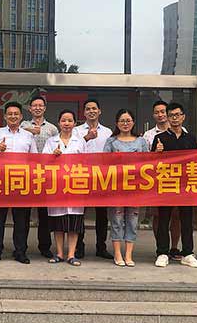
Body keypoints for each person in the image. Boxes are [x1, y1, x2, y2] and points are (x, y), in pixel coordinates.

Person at [151, 102, 197, 268]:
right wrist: (156, 153)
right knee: (163, 219)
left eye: (177, 115)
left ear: (183, 117)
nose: (174, 118)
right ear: (167, 118)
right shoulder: (160, 138)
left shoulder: (190, 138)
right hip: (166, 184)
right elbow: (151, 164)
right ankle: (162, 252)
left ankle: (188, 253)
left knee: (186, 220)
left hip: (185, 186)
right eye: (171, 115)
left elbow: (196, 160)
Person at [0, 101, 38, 264]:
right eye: (10, 114)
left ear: (21, 116)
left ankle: (20, 251)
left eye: (16, 114)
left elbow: (34, 159)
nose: (13, 116)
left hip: (21, 182)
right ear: (5, 116)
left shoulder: (28, 136)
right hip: (1, 181)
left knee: (21, 220)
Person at [103, 109, 148, 267]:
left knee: (132, 220)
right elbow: (104, 163)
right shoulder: (111, 142)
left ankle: (129, 254)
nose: (125, 123)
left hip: (135, 188)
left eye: (128, 120)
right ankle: (117, 254)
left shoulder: (141, 141)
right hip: (116, 187)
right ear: (117, 123)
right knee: (116, 220)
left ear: (133, 122)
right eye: (122, 121)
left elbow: (148, 162)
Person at [43, 109, 87, 267]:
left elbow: (86, 163)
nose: (66, 123)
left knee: (74, 223)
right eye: (63, 120)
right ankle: (60, 253)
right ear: (58, 123)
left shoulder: (80, 141)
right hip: (57, 187)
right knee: (58, 222)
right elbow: (42, 163)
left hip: (75, 186)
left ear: (74, 123)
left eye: (69, 120)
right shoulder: (51, 141)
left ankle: (71, 255)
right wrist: (52, 156)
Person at [72, 99, 113, 260]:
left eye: (94, 108)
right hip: (81, 175)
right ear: (84, 112)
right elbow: (72, 150)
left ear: (99, 111)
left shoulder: (108, 132)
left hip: (101, 177)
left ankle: (101, 247)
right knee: (79, 213)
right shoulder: (76, 131)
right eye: (88, 109)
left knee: (102, 214)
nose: (91, 111)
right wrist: (87, 138)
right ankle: (79, 247)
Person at [143, 100, 183, 261]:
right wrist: (155, 152)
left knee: (176, 216)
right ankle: (161, 247)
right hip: (157, 181)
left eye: (163, 112)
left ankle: (174, 247)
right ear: (153, 115)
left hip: (178, 182)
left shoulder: (183, 131)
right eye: (156, 112)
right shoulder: (149, 135)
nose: (160, 115)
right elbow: (144, 159)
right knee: (158, 216)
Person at [20, 95, 58, 259]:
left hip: (46, 175)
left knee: (44, 214)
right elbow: (17, 131)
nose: (37, 108)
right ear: (29, 108)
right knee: (24, 213)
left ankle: (44, 246)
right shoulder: (23, 124)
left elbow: (57, 145)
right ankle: (21, 247)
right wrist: (31, 130)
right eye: (34, 105)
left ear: (45, 108)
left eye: (40, 105)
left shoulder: (52, 128)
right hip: (27, 174)